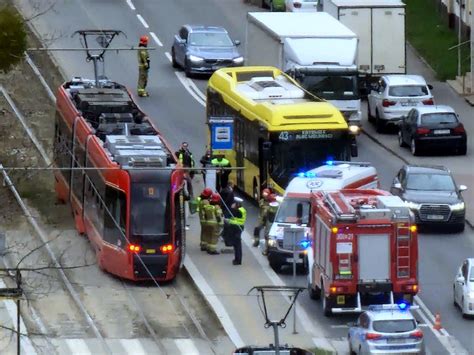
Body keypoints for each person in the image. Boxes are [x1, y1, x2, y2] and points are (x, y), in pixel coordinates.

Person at [226, 197, 247, 265]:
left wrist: (232, 208)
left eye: (235, 203)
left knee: (237, 245)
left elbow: (231, 214)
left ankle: (238, 260)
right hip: (237, 227)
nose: (233, 204)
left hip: (237, 228)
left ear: (237, 204)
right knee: (236, 244)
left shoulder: (239, 210)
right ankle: (237, 259)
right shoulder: (241, 209)